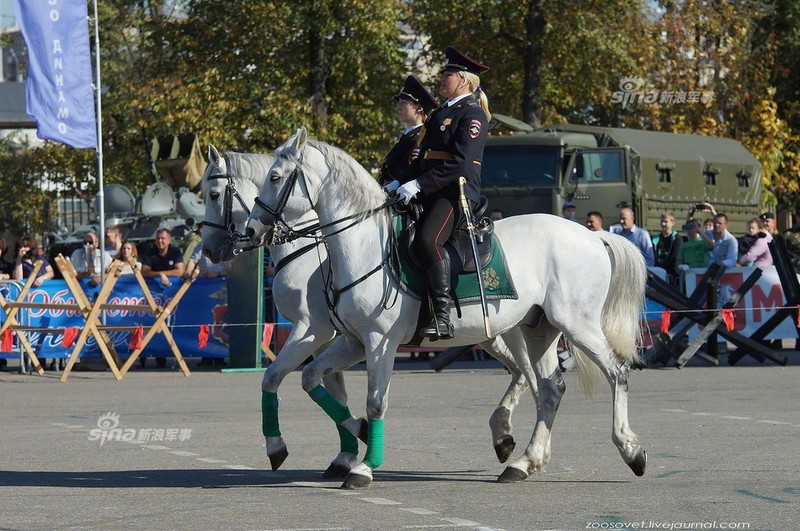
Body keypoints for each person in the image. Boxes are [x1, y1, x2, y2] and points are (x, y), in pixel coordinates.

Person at [394, 46, 491, 340]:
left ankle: (441, 315)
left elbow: (460, 163)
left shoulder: (472, 115)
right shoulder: (441, 113)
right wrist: (398, 183)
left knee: (428, 239)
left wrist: (419, 185)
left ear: (463, 80)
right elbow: (423, 158)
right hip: (431, 190)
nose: (441, 78)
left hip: (454, 193)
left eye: (447, 74)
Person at [379, 75, 439, 189]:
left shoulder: (420, 137)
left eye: (403, 103)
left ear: (419, 108)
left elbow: (408, 172)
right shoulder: (408, 135)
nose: (398, 107)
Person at [652, 210, 683, 283]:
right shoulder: (655, 238)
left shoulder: (677, 239)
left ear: (672, 223)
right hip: (658, 272)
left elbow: (675, 256)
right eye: (662, 221)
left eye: (666, 222)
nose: (663, 224)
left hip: (671, 275)